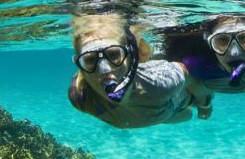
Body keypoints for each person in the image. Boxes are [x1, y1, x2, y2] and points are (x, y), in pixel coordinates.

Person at [68, 14, 212, 128]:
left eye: (113, 54)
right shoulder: (80, 95)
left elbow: (191, 78)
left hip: (173, 103)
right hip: (158, 114)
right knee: (184, 117)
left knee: (189, 112)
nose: (104, 70)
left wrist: (205, 106)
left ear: (132, 56)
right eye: (90, 60)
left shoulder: (159, 83)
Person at [162, 15, 245, 108]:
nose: (234, 53)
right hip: (214, 87)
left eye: (244, 38)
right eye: (222, 41)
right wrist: (204, 105)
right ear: (210, 44)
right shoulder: (197, 65)